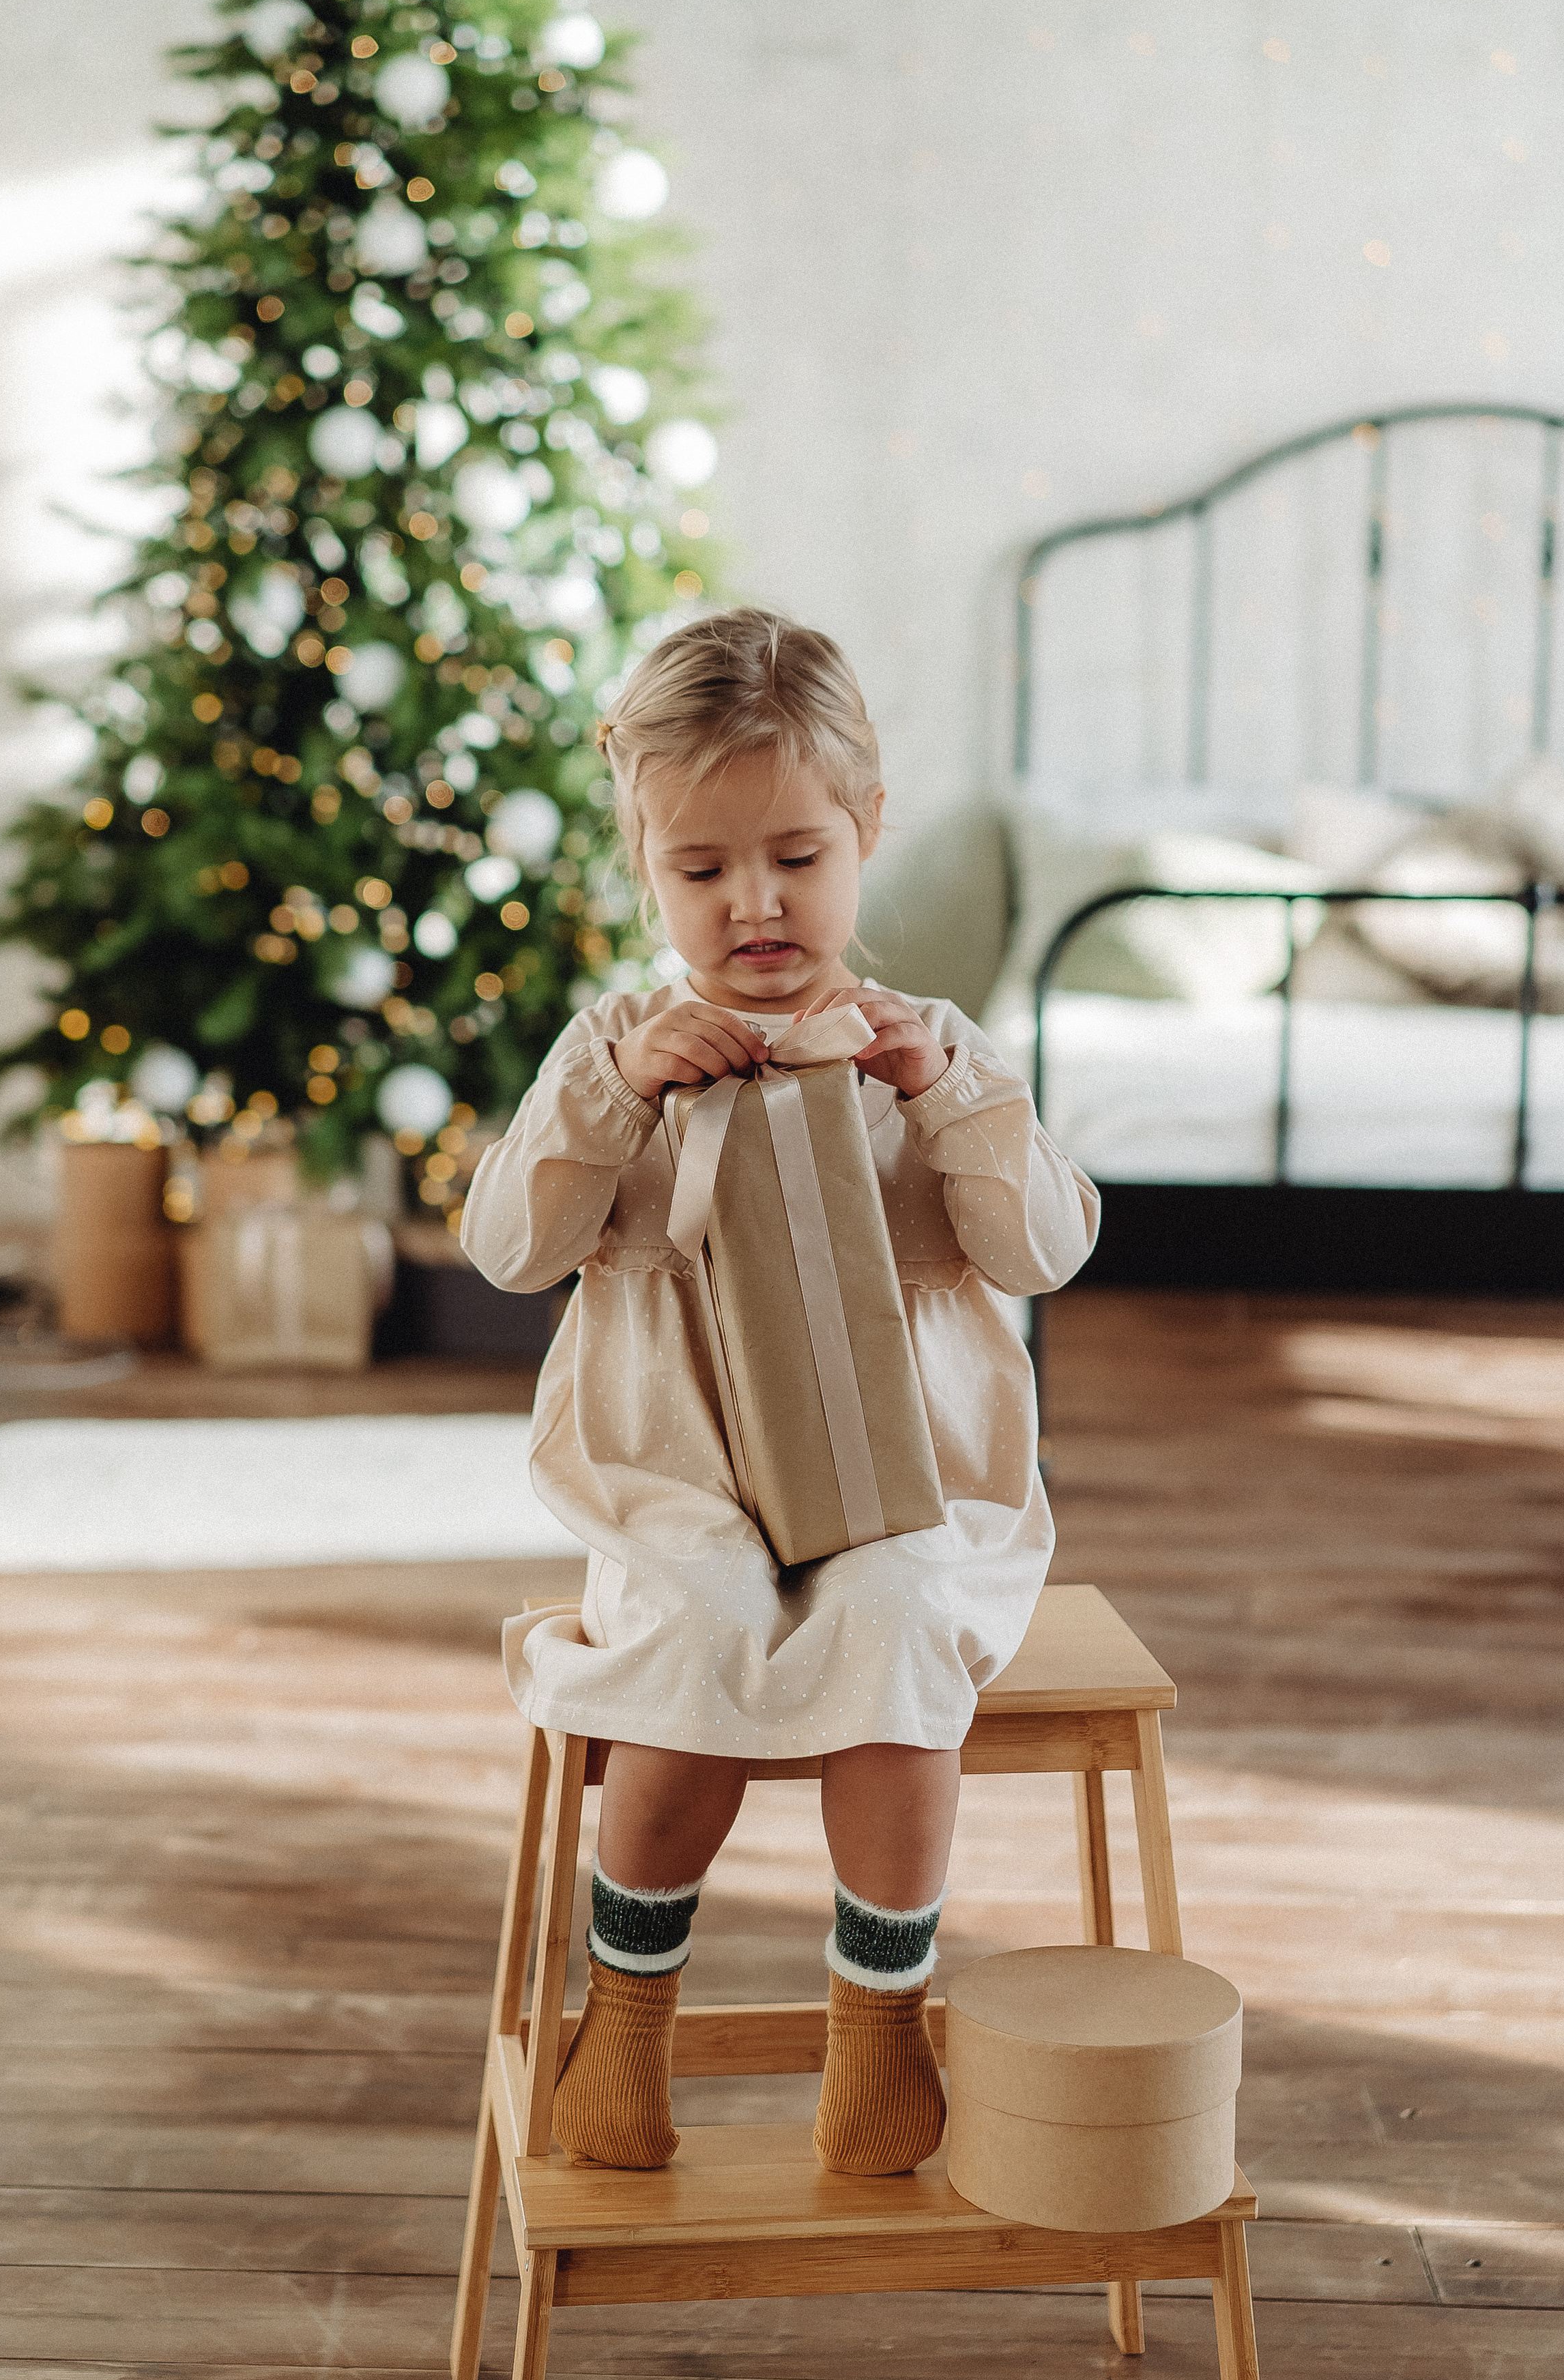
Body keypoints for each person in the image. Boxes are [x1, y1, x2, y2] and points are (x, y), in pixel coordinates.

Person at [462, 608, 1099, 2178]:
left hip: (905, 1486)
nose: (752, 904)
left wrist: (939, 1101)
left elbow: (1046, 1247)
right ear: (647, 871)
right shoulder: (617, 1047)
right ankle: (629, 2015)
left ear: (867, 833)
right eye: (700, 872)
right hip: (680, 1483)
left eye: (796, 858)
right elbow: (506, 1249)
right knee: (697, 1629)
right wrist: (613, 1101)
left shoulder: (929, 1048)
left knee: (886, 1627)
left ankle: (876, 2031)